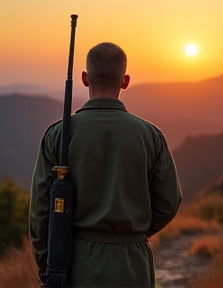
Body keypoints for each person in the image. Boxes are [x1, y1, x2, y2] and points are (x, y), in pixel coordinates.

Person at [29, 42, 182, 288]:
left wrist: (48, 265)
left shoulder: (58, 135)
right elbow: (169, 202)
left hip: (75, 263)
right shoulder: (150, 135)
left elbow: (40, 211)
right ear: (125, 81)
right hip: (134, 264)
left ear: (85, 78)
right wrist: (133, 234)